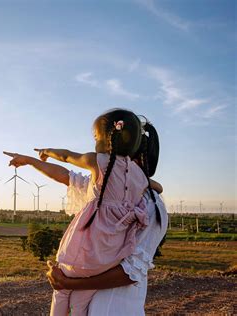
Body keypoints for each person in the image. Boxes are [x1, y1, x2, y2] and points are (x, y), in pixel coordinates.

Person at [4, 109, 161, 315]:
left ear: (108, 139)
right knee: (80, 300)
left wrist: (46, 152)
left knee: (61, 292)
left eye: (95, 137)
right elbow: (157, 186)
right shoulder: (140, 180)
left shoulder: (99, 163)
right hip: (106, 257)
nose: (94, 142)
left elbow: (67, 157)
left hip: (83, 251)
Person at [46, 117, 167, 315]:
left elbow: (131, 272)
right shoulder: (106, 190)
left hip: (116, 308)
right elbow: (69, 177)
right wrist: (33, 160)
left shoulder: (152, 206)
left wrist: (70, 282)